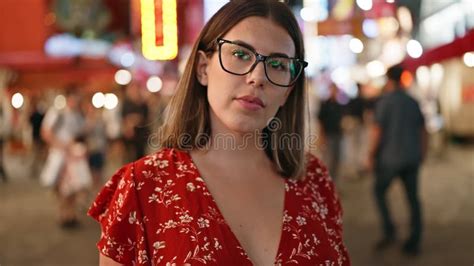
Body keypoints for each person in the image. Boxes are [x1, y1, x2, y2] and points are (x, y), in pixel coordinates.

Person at [89, 1, 350, 265]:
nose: (258, 77)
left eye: (278, 65)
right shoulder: (143, 186)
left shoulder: (314, 179)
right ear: (203, 68)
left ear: (288, 91)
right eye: (240, 54)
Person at [367, 65, 427, 256]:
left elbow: (378, 131)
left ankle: (389, 231)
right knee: (413, 199)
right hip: (411, 157)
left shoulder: (385, 102)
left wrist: (370, 154)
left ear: (388, 79)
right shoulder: (412, 102)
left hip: (390, 159)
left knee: (378, 191)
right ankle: (414, 240)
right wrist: (422, 153)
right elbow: (423, 131)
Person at [41, 88, 89, 229]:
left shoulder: (78, 115)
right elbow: (46, 133)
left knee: (74, 186)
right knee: (62, 187)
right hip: (60, 156)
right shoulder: (57, 113)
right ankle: (63, 214)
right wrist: (62, 145)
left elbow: (80, 134)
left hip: (74, 156)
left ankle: (71, 214)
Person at [317, 83, 344, 181]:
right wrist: (321, 136)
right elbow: (321, 122)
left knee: (337, 160)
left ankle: (334, 183)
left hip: (338, 134)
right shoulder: (325, 104)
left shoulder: (339, 105)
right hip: (328, 134)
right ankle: (326, 182)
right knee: (328, 160)